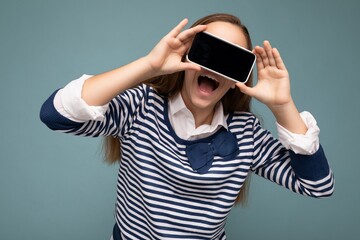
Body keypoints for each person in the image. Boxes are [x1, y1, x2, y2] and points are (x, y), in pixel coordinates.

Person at [40, 13, 334, 240]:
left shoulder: (247, 132)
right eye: (208, 52)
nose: (214, 68)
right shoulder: (141, 107)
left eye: (229, 61)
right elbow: (55, 114)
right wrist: (148, 66)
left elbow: (318, 186)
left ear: (237, 80)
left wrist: (283, 105)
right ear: (186, 55)